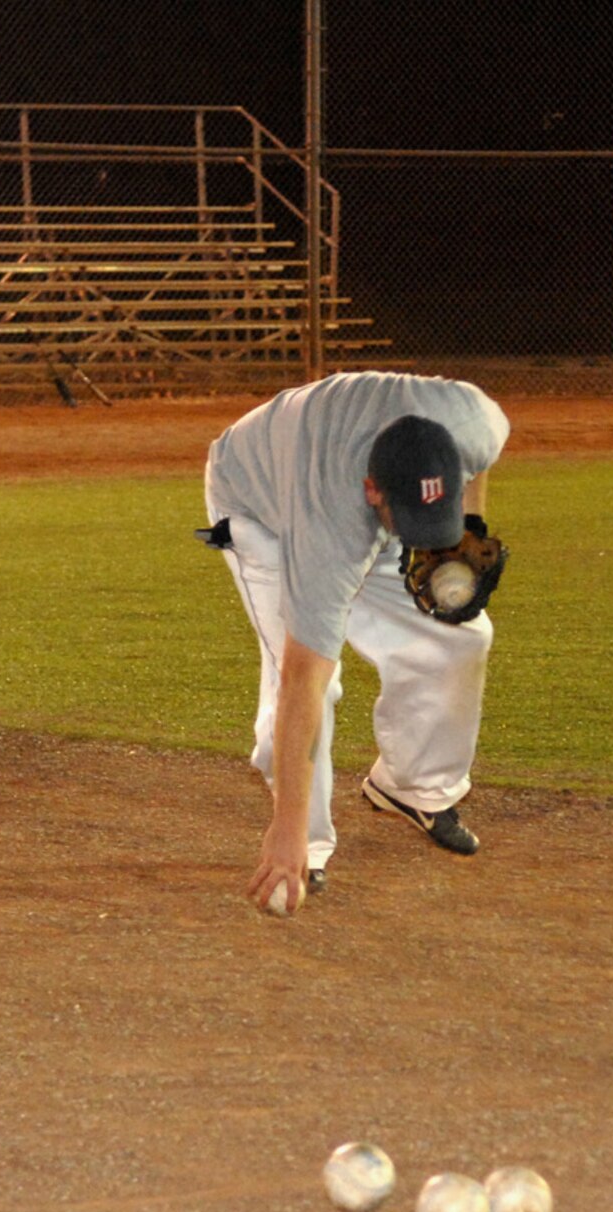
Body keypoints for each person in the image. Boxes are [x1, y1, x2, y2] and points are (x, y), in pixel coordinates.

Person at [197, 371, 510, 913]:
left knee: (456, 637)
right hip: (259, 503)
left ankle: (413, 786)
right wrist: (288, 828)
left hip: (354, 468)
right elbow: (303, 679)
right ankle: (304, 841)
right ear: (373, 494)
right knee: (307, 676)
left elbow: (480, 463)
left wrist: (470, 524)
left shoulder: (471, 421)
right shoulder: (330, 525)